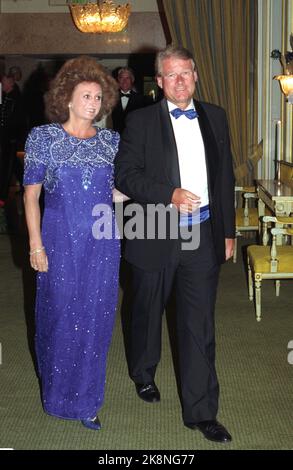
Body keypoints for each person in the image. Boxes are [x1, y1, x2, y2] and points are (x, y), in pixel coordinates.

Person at [115, 45, 235, 443]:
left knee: (198, 323)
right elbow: (127, 177)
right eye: (171, 74)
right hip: (154, 227)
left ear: (195, 75)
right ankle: (143, 373)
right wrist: (169, 193)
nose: (180, 80)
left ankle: (202, 412)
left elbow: (224, 179)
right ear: (160, 81)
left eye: (186, 72)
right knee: (147, 310)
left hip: (202, 234)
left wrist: (228, 232)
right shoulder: (141, 121)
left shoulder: (216, 117)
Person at [23, 56, 120, 430]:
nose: (93, 103)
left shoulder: (111, 141)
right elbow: (31, 196)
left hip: (102, 241)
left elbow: (115, 194)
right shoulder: (43, 138)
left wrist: (156, 185)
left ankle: (88, 402)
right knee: (60, 316)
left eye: (98, 97)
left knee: (96, 319)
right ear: (66, 98)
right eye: (86, 96)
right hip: (58, 238)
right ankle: (58, 395)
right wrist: (35, 245)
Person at [0, 74, 24, 207]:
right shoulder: (4, 96)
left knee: (7, 164)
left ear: (10, 84)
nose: (2, 85)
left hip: (11, 137)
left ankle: (2, 195)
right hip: (4, 136)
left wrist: (15, 137)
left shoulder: (17, 98)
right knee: (13, 164)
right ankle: (26, 183)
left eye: (4, 83)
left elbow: (18, 119)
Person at [111, 67, 149, 134]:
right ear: (118, 80)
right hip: (114, 136)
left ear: (132, 80)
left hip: (135, 136)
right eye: (122, 78)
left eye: (127, 78)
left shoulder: (142, 100)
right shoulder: (111, 98)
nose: (124, 81)